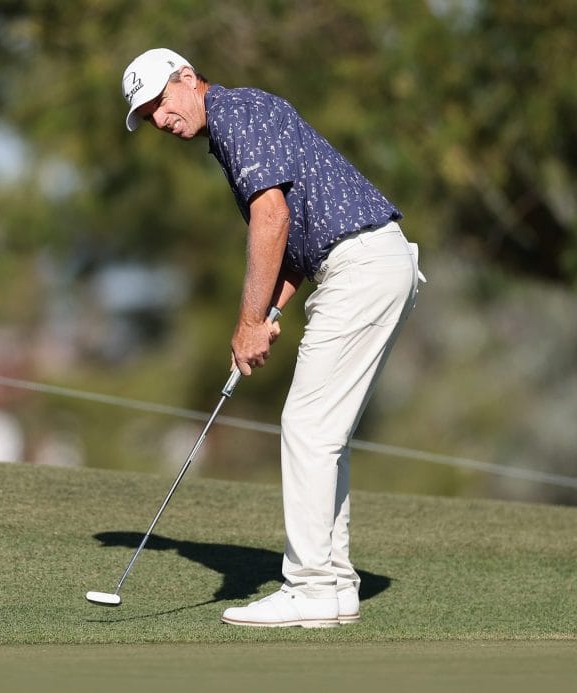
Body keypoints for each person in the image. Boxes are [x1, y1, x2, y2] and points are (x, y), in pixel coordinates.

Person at [121, 48, 422, 628]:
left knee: (306, 428)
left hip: (359, 266)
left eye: (160, 102)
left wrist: (245, 323)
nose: (160, 120)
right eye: (148, 113)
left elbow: (272, 220)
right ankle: (334, 587)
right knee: (323, 431)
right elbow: (295, 242)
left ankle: (309, 586)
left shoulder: (234, 114)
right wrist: (267, 318)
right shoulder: (245, 113)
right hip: (370, 261)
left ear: (187, 78)